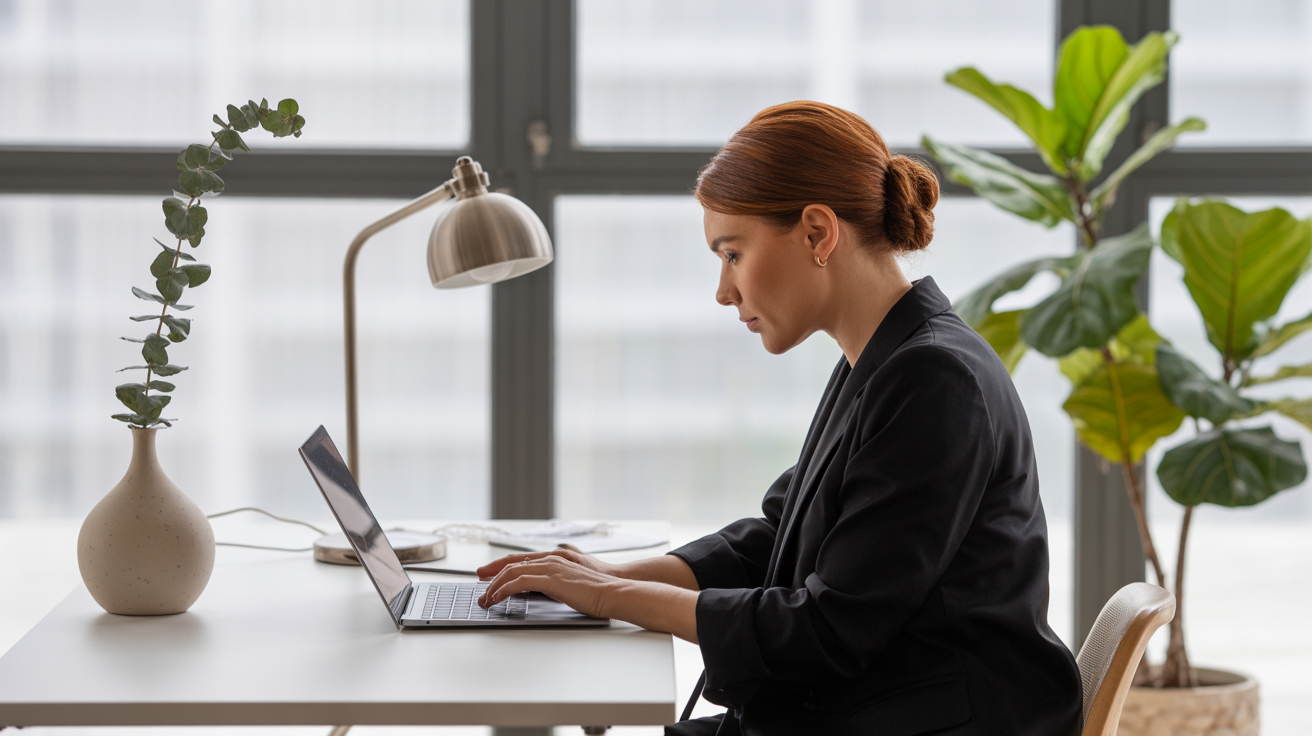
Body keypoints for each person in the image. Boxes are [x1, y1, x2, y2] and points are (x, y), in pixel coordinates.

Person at [476, 101, 1082, 736]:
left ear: (818, 232)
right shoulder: (882, 359)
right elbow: (778, 535)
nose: (723, 289)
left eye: (732, 253)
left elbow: (828, 628)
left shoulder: (935, 380)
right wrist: (608, 574)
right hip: (869, 708)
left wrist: (611, 599)